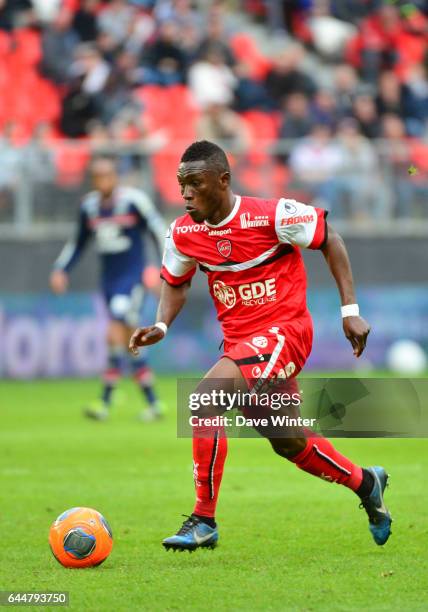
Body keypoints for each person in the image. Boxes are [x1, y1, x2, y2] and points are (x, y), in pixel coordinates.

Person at [129, 140, 392, 551]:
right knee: (287, 440)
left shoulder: (273, 215)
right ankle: (366, 482)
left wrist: (350, 310)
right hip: (241, 343)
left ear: (223, 180)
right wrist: (161, 324)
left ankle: (203, 519)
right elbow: (175, 283)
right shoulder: (183, 233)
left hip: (286, 333)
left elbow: (330, 239)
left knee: (204, 401)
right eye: (181, 184)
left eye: (195, 183)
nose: (185, 194)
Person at [50, 156, 166, 422]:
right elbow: (77, 243)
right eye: (97, 176)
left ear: (116, 177)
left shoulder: (134, 201)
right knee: (124, 340)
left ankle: (104, 402)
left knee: (114, 333)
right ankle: (153, 402)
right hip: (109, 282)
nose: (103, 181)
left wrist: (161, 271)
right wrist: (60, 269)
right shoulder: (89, 207)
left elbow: (159, 231)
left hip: (132, 279)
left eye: (107, 175)